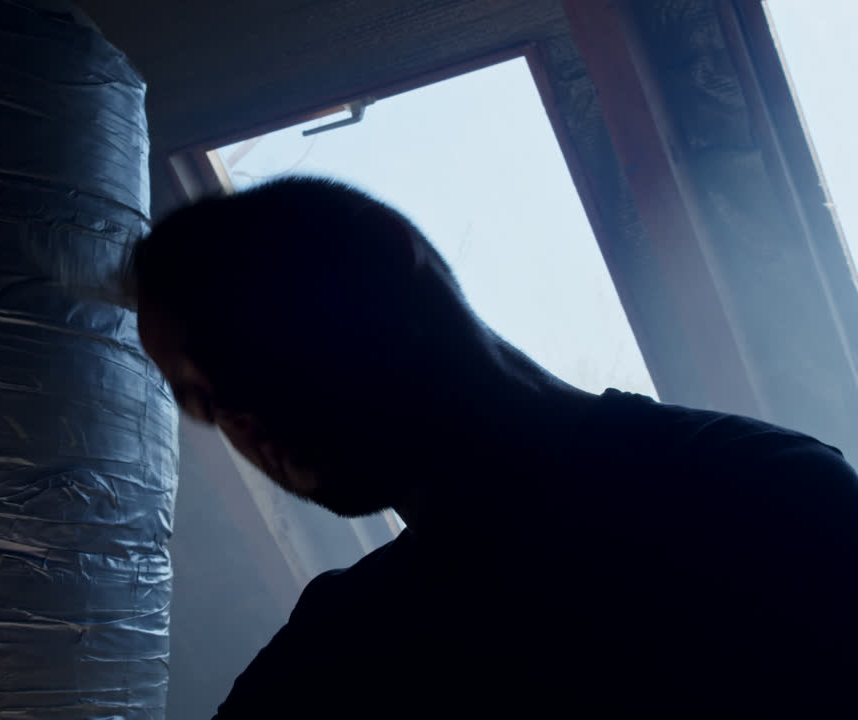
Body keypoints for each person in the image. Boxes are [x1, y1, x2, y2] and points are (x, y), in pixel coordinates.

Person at [122, 176, 858, 716]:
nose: (237, 415)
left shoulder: (759, 500)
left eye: (240, 347)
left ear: (384, 256)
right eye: (201, 402)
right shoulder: (339, 648)